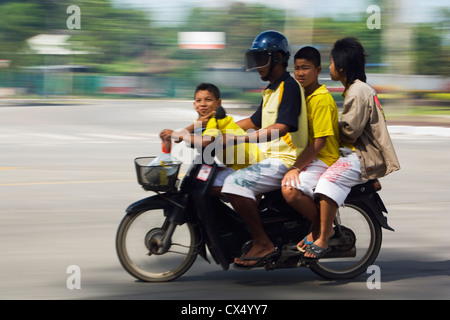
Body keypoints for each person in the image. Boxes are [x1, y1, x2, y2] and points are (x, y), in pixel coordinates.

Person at [301, 37, 400, 261]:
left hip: (363, 156)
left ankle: (323, 236)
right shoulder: (357, 89)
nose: (329, 66)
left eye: (331, 62)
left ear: (342, 66)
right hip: (355, 152)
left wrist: (323, 127)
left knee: (327, 182)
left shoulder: (357, 92)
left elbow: (349, 131)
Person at [221, 30, 309, 269]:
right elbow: (253, 122)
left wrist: (242, 140)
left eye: (262, 59)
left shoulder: (289, 87)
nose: (258, 66)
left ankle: (263, 242)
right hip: (269, 156)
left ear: (279, 58)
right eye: (256, 60)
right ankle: (250, 226)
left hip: (286, 159)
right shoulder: (271, 89)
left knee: (233, 184)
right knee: (222, 169)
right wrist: (217, 131)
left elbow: (281, 127)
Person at [280, 46, 340, 252]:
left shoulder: (321, 99)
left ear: (318, 70)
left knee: (290, 190)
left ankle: (323, 229)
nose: (300, 73)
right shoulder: (303, 94)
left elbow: (320, 143)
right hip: (308, 155)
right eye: (296, 68)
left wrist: (296, 167)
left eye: (305, 68)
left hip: (324, 158)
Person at [160, 83, 261, 194]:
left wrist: (177, 134)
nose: (203, 104)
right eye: (198, 101)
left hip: (247, 167)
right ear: (194, 104)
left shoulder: (215, 119)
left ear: (219, 103)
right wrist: (176, 134)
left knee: (204, 187)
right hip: (238, 165)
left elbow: (205, 142)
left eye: (208, 100)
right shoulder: (204, 120)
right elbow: (179, 139)